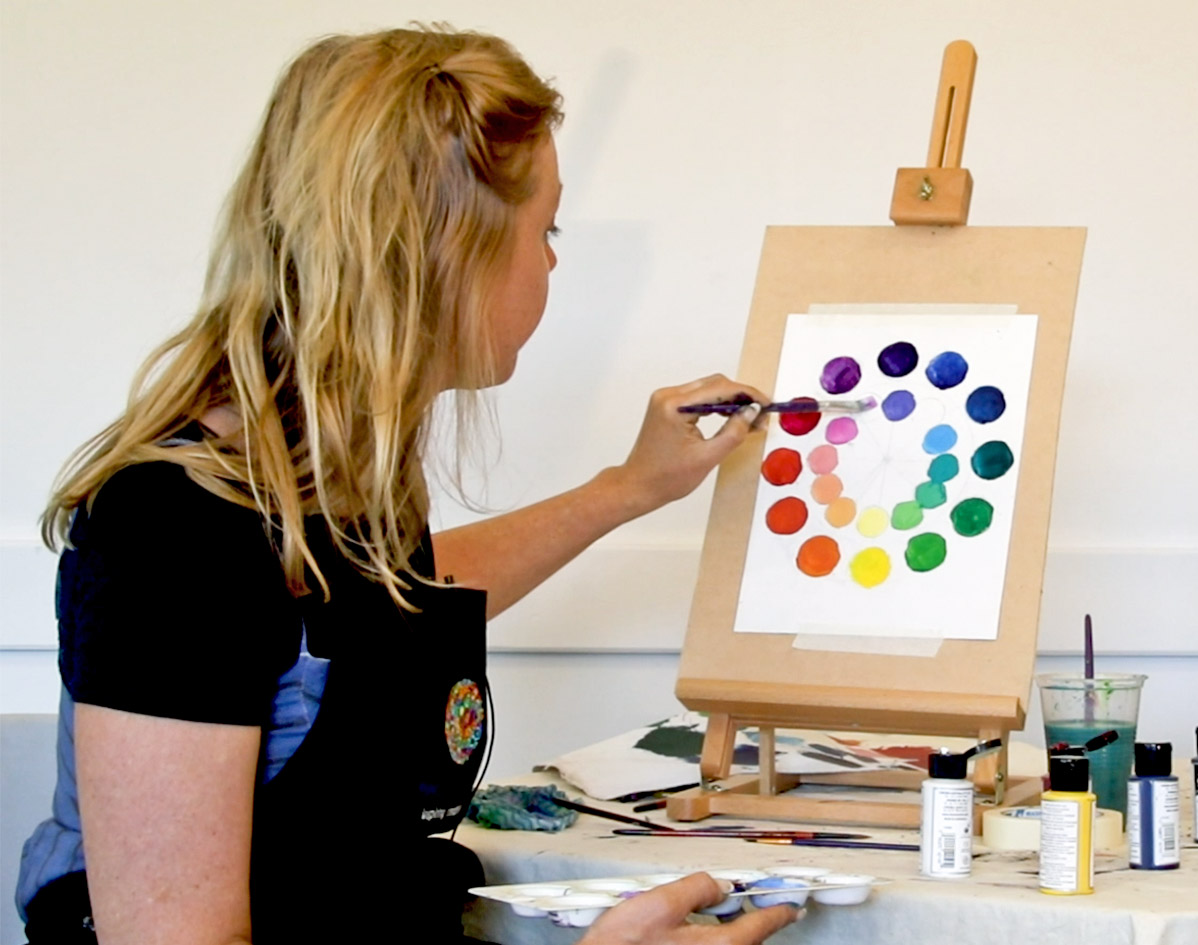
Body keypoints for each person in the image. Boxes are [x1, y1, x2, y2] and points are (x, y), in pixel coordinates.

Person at [14, 25, 797, 945]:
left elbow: (384, 607)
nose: (551, 260)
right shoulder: (171, 536)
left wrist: (627, 488)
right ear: (444, 250)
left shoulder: (331, 484)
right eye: (544, 228)